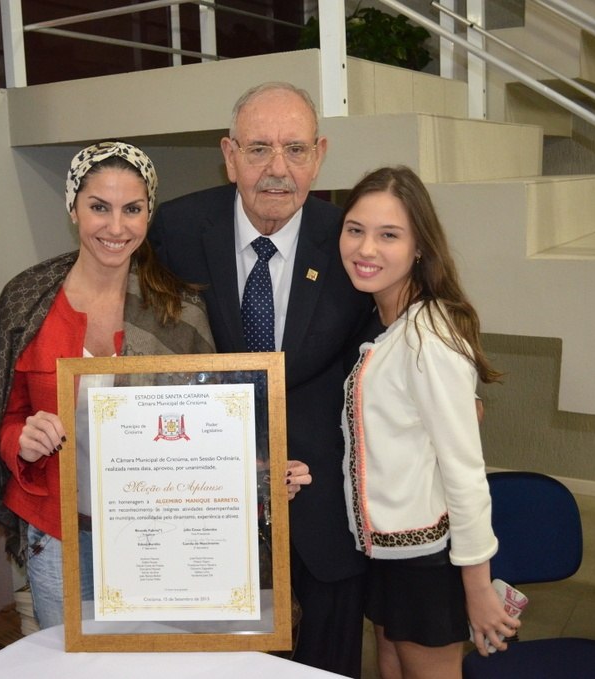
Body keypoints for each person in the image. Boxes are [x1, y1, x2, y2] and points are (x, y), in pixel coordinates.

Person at [148, 82, 375, 676]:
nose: (278, 169)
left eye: (296, 149)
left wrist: (457, 387)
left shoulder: (352, 238)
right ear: (228, 155)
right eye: (259, 150)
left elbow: (402, 325)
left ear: (320, 154)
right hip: (211, 513)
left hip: (324, 514)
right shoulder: (175, 228)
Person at [0, 141, 225, 629]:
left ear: (148, 214)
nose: (115, 227)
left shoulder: (179, 311)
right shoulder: (28, 301)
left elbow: (211, 430)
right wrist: (20, 441)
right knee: (72, 665)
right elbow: (4, 415)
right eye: (98, 208)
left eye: (132, 209)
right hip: (56, 531)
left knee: (150, 663)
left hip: (156, 536)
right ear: (73, 209)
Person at [338, 166, 520, 679]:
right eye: (355, 230)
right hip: (390, 552)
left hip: (427, 562)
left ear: (420, 247)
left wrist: (478, 588)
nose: (366, 249)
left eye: (388, 235)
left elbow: (465, 472)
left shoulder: (428, 336)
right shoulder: (390, 325)